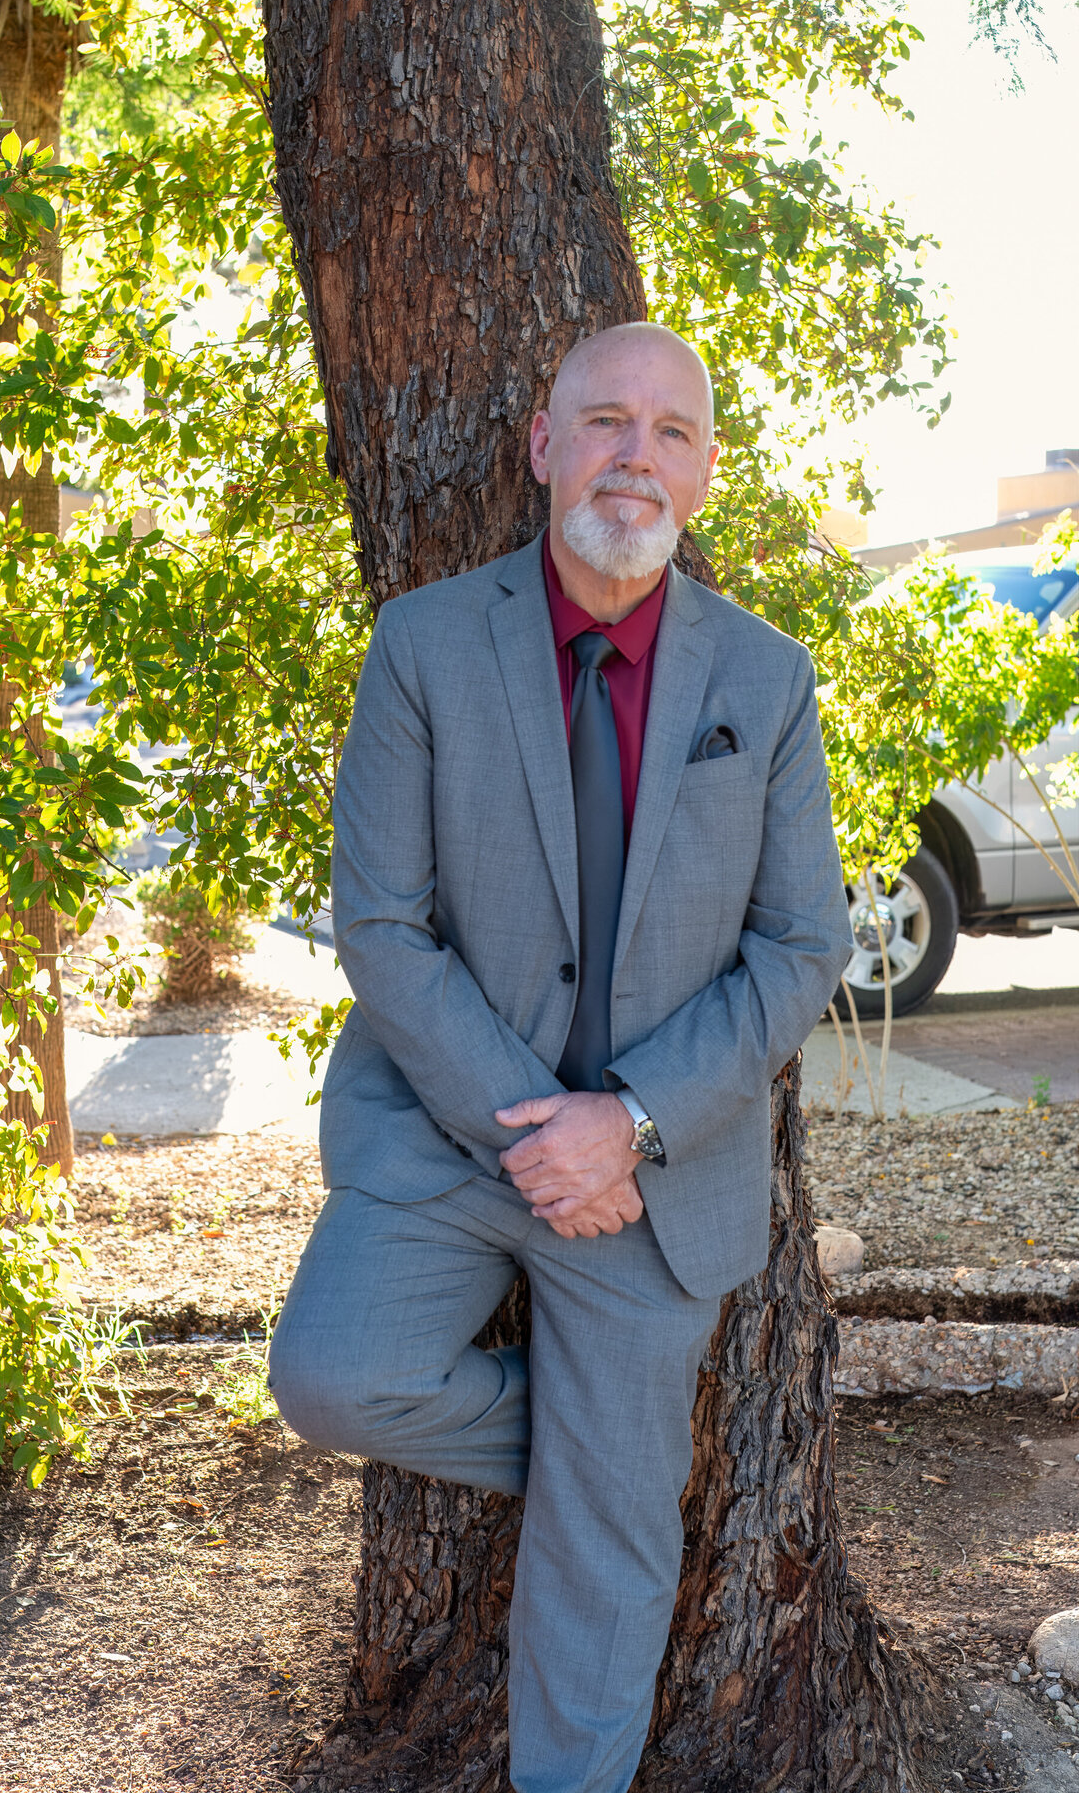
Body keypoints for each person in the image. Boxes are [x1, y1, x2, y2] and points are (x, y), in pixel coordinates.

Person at [269, 322, 852, 1793]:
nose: (633, 455)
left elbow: (799, 949)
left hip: (655, 1177)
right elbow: (384, 924)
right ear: (544, 444)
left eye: (669, 432)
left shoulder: (768, 685)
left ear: (706, 471)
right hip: (452, 1135)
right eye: (604, 422)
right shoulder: (423, 645)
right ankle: (607, 1474)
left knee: (604, 1565)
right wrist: (540, 1128)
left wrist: (631, 1122)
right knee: (331, 1378)